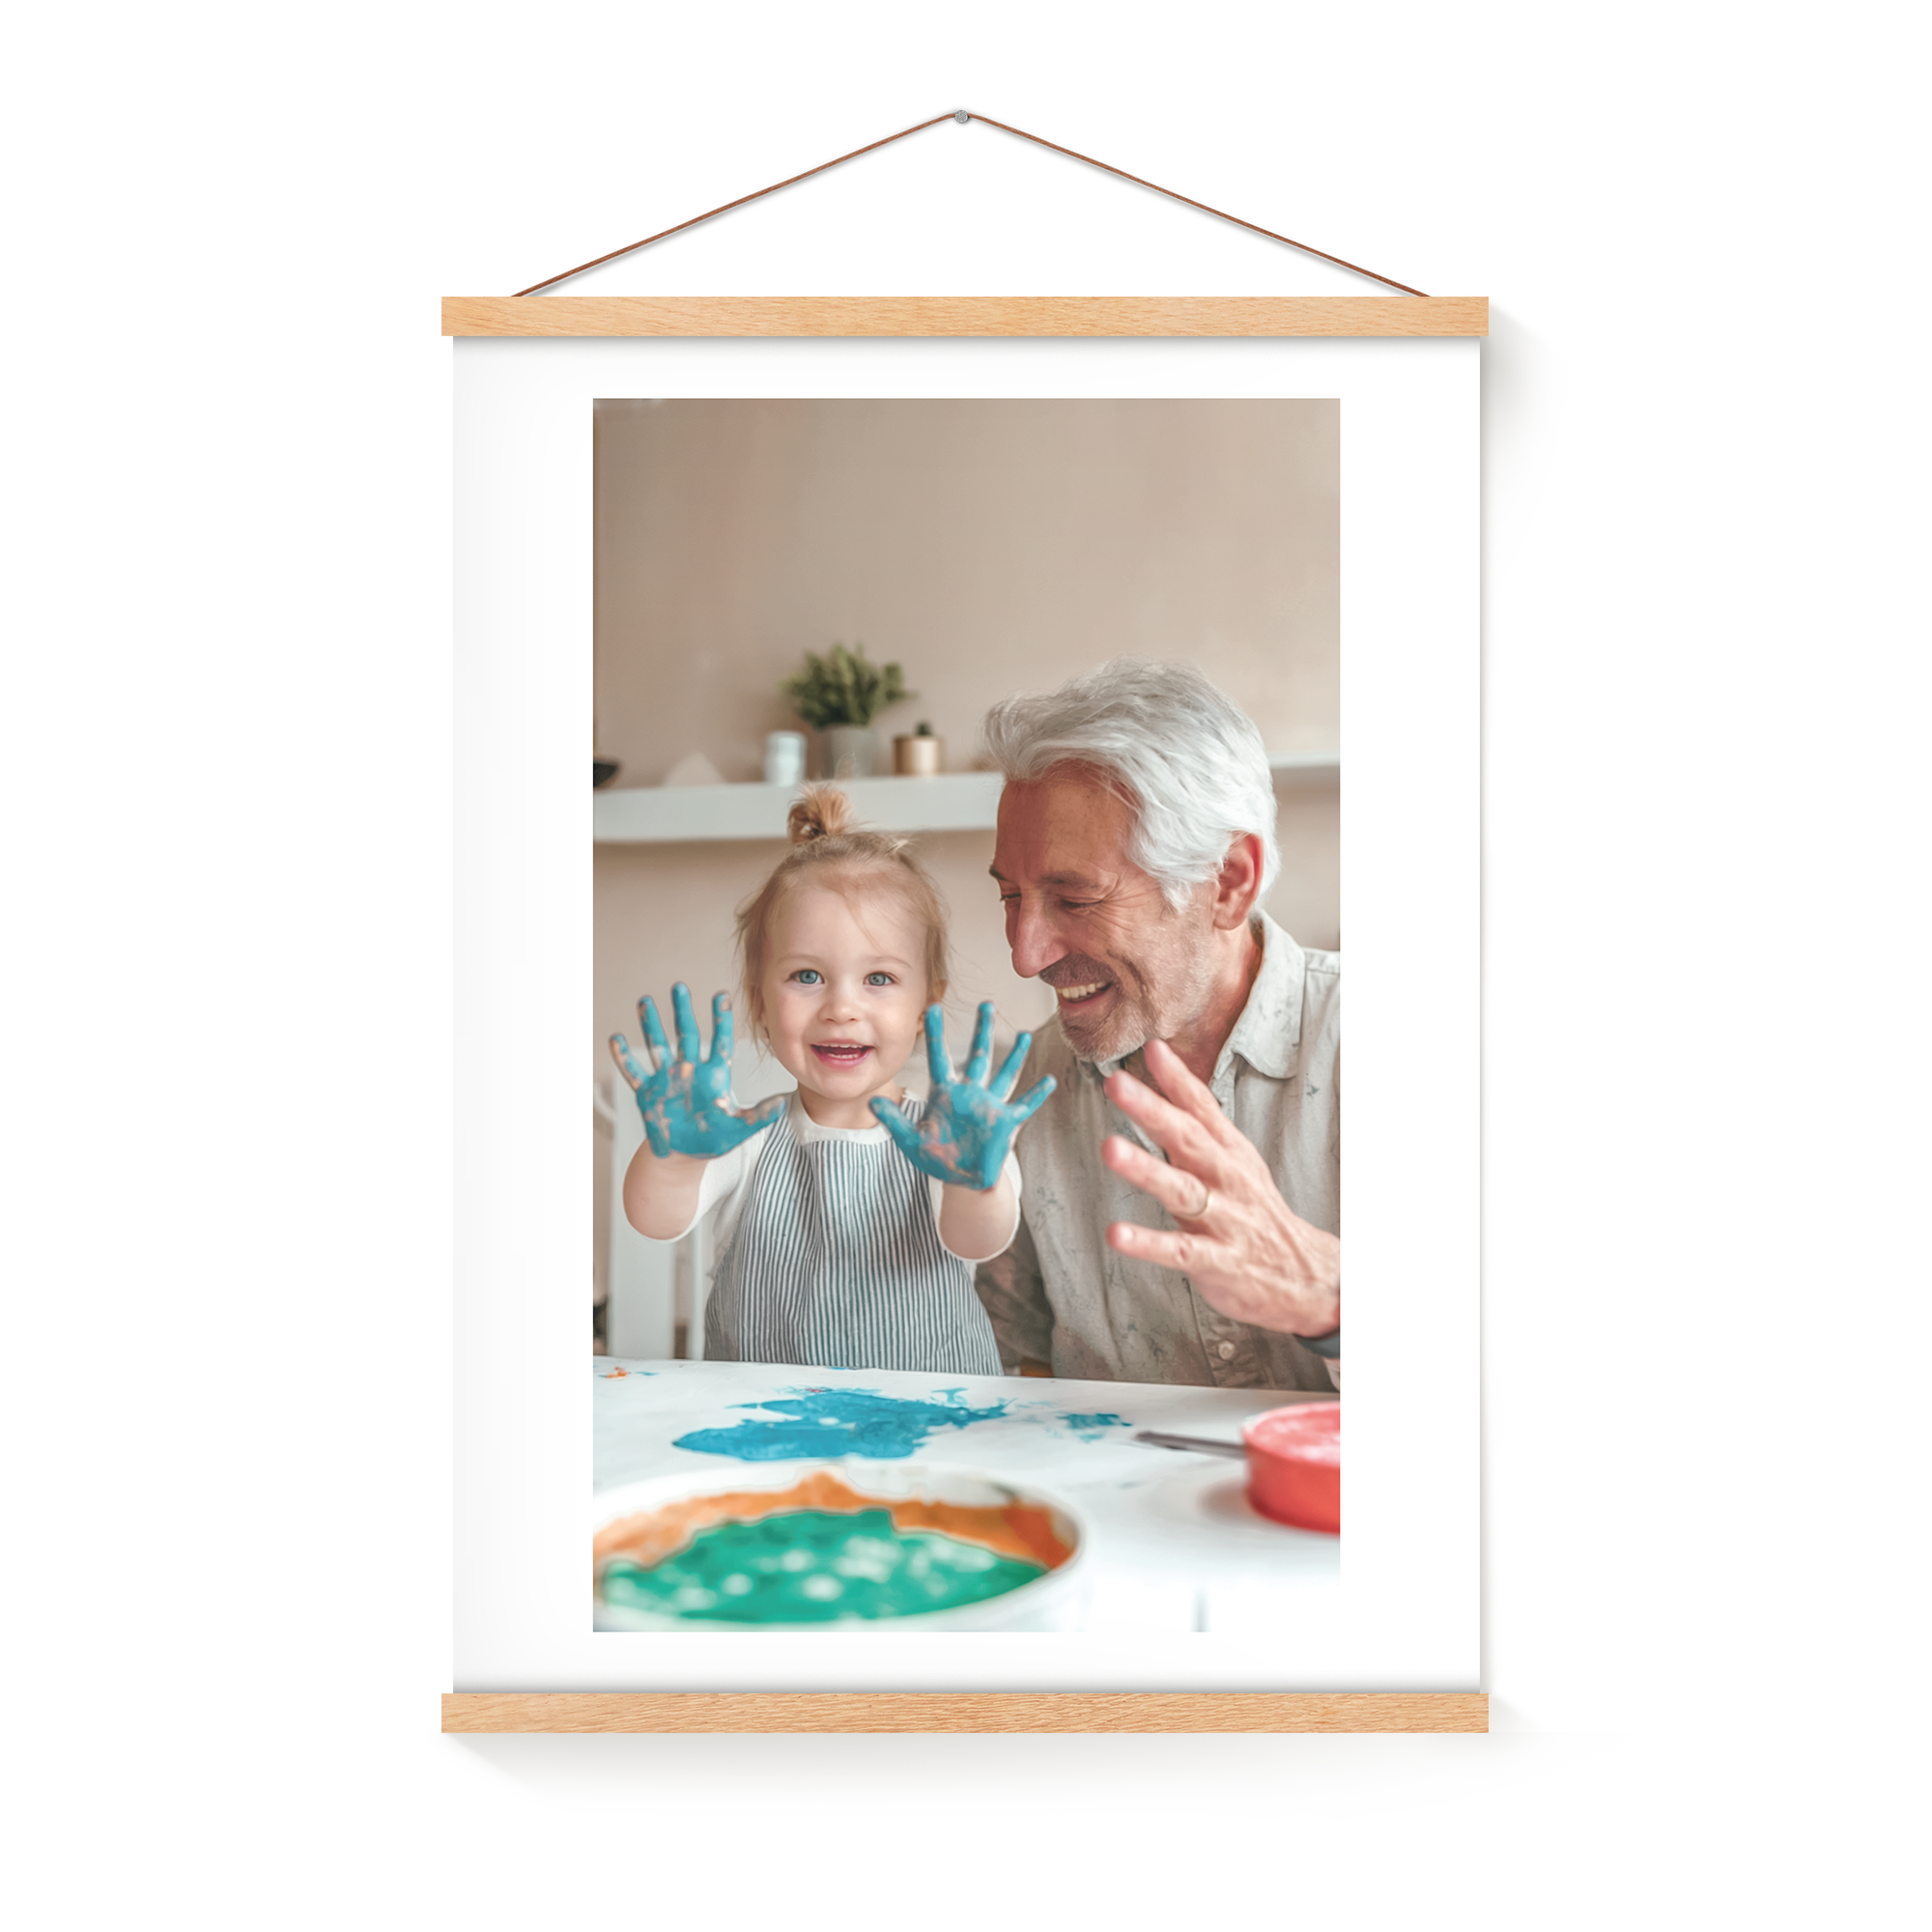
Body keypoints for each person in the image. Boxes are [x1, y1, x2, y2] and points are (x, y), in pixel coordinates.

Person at [974, 659, 1342, 1391]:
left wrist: (1332, 1299)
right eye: (1011, 897)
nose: (1025, 954)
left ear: (1228, 882)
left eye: (1074, 900)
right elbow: (1016, 1367)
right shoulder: (1022, 1090)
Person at [611, 784, 1054, 1375]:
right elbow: (653, 1218)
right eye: (806, 975)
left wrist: (978, 1182)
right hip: (763, 1423)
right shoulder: (743, 1140)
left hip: (931, 1424)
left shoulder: (950, 1140)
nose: (841, 1008)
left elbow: (979, 1241)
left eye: (878, 979)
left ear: (929, 1002)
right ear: (759, 1000)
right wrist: (675, 1161)